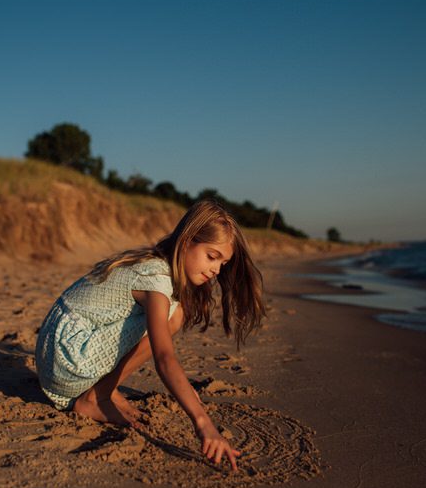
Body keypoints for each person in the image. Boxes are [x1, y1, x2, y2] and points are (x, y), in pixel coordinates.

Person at [35, 199, 266, 471]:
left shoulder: (157, 264)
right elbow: (164, 358)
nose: (216, 270)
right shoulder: (156, 279)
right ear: (187, 240)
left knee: (174, 313)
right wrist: (203, 423)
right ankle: (95, 397)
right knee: (171, 317)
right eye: (212, 256)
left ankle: (104, 389)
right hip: (66, 356)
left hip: (58, 346)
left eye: (223, 263)